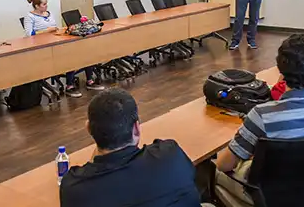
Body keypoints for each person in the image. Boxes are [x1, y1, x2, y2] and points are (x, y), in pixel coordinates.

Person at [213, 34, 304, 206]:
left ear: (280, 67)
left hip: (264, 194)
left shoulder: (262, 114)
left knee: (209, 169)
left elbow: (224, 165)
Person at [59, 88, 201, 207]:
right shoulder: (170, 154)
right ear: (136, 128)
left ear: (88, 129)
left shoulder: (74, 188)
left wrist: (96, 157)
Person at [22, 0, 103, 97]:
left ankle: (90, 80)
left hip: (54, 41)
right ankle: (69, 86)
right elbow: (29, 34)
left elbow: (54, 28)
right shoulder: (30, 16)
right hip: (40, 47)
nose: (46, 6)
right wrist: (47, 31)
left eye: (46, 3)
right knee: (69, 57)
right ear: (37, 6)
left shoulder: (48, 14)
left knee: (85, 51)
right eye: (44, 4)